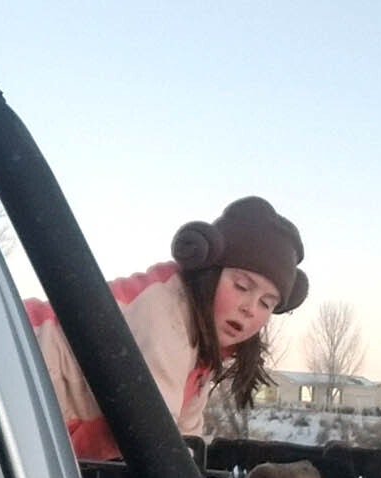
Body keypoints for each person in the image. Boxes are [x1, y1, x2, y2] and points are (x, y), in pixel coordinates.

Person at [25, 195, 307, 460]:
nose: (250, 308)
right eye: (242, 286)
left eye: (266, 304)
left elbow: (185, 444)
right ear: (207, 269)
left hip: (33, 419)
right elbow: (157, 440)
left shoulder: (201, 355)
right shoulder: (164, 309)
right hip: (18, 356)